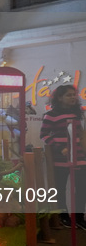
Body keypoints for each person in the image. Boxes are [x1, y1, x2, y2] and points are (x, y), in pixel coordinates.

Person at [40, 85, 86, 229]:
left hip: (79, 157)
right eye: (68, 95)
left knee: (81, 188)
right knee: (60, 188)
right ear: (59, 97)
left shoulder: (78, 113)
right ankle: (63, 215)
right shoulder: (51, 115)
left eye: (74, 95)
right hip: (60, 159)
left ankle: (78, 217)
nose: (73, 97)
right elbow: (44, 135)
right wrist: (60, 148)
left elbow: (81, 134)